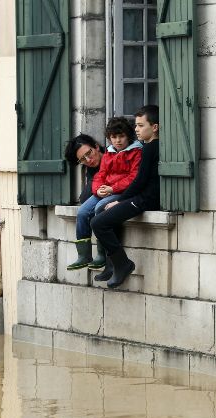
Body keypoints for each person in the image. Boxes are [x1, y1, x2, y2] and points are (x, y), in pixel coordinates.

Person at [90, 105, 159, 288]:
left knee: (99, 222)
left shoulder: (150, 148)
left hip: (145, 200)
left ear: (154, 127)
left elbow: (139, 181)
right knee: (102, 218)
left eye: (140, 125)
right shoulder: (148, 146)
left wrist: (119, 201)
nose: (136, 129)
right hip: (139, 197)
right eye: (136, 125)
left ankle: (122, 264)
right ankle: (114, 264)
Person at [63, 117, 142, 271]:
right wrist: (98, 189)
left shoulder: (135, 152)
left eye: (89, 153)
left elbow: (134, 177)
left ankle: (101, 253)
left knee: (100, 207)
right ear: (109, 138)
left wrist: (112, 189)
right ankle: (84, 255)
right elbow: (100, 176)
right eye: (82, 159)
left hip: (120, 192)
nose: (88, 160)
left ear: (97, 147)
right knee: (83, 211)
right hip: (105, 190)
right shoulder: (109, 155)